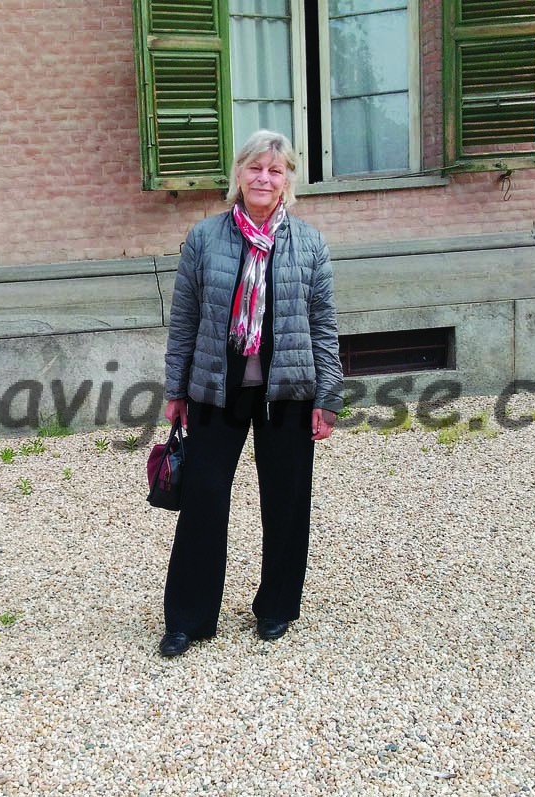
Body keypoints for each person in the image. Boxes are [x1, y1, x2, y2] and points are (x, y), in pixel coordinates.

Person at [157, 130, 343, 658]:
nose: (264, 178)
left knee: (286, 501)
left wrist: (328, 396)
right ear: (238, 174)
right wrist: (176, 388)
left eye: (275, 170)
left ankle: (277, 606)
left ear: (287, 181)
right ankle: (188, 619)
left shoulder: (309, 243)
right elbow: (185, 320)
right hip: (216, 388)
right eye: (255, 168)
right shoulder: (204, 238)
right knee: (204, 498)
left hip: (289, 390)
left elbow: (323, 325)